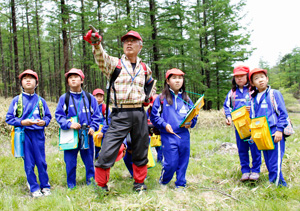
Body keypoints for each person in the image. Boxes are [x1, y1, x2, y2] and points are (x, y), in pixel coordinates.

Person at [84, 30, 155, 192]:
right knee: (108, 149)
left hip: (139, 113)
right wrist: (96, 44)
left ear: (140, 46)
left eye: (133, 41)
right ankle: (101, 186)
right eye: (126, 41)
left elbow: (150, 84)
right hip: (119, 113)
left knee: (140, 149)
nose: (129, 43)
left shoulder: (145, 68)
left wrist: (148, 97)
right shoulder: (114, 64)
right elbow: (101, 58)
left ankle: (139, 184)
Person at [6, 69, 52, 197]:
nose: (27, 80)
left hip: (38, 135)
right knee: (29, 163)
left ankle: (45, 186)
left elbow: (48, 116)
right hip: (23, 135)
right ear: (21, 83)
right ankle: (34, 188)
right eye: (24, 78)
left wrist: (44, 122)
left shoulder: (41, 100)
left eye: (31, 78)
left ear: (36, 83)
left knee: (41, 161)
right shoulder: (17, 100)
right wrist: (22, 122)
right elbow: (9, 118)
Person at [150, 68, 197, 190]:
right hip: (168, 135)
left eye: (180, 78)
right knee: (171, 163)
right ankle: (164, 181)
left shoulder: (186, 98)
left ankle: (181, 183)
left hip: (184, 135)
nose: (178, 81)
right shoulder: (161, 98)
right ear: (168, 81)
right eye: (174, 78)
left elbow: (194, 115)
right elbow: (154, 116)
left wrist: (191, 123)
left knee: (183, 161)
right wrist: (164, 124)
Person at [55, 68, 101, 189]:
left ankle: (91, 183)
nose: (73, 79)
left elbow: (96, 116)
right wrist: (68, 124)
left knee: (89, 161)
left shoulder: (90, 98)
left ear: (82, 80)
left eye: (76, 77)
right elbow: (59, 116)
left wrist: (94, 127)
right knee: (70, 162)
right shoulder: (64, 98)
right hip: (70, 134)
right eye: (70, 78)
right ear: (68, 82)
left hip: (87, 134)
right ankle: (71, 185)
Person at [249, 68, 288, 187]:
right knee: (269, 162)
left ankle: (276, 187)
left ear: (267, 79)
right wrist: (253, 133)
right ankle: (278, 185)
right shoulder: (254, 98)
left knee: (275, 162)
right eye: (256, 78)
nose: (260, 80)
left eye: (262, 77)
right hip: (261, 135)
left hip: (274, 133)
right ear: (252, 83)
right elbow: (253, 118)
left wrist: (280, 130)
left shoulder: (273, 94)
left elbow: (283, 113)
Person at [223, 66, 261, 182]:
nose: (239, 79)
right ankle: (245, 171)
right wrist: (228, 117)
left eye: (242, 76)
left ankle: (255, 171)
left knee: (255, 149)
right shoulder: (232, 93)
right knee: (242, 149)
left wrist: (253, 108)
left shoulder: (254, 90)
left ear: (247, 77)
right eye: (237, 77)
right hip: (239, 127)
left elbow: (261, 104)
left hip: (253, 125)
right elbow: (226, 106)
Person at [92, 88, 111, 159]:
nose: (99, 98)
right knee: (94, 144)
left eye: (101, 96)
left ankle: (104, 158)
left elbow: (108, 120)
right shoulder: (91, 107)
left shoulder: (105, 108)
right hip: (94, 128)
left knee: (103, 145)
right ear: (93, 97)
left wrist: (102, 131)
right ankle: (95, 156)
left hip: (103, 129)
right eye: (97, 96)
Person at [147, 94, 163, 163]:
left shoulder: (163, 109)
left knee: (160, 146)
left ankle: (160, 160)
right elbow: (146, 118)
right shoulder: (149, 110)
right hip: (153, 130)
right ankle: (158, 159)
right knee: (156, 145)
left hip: (161, 129)